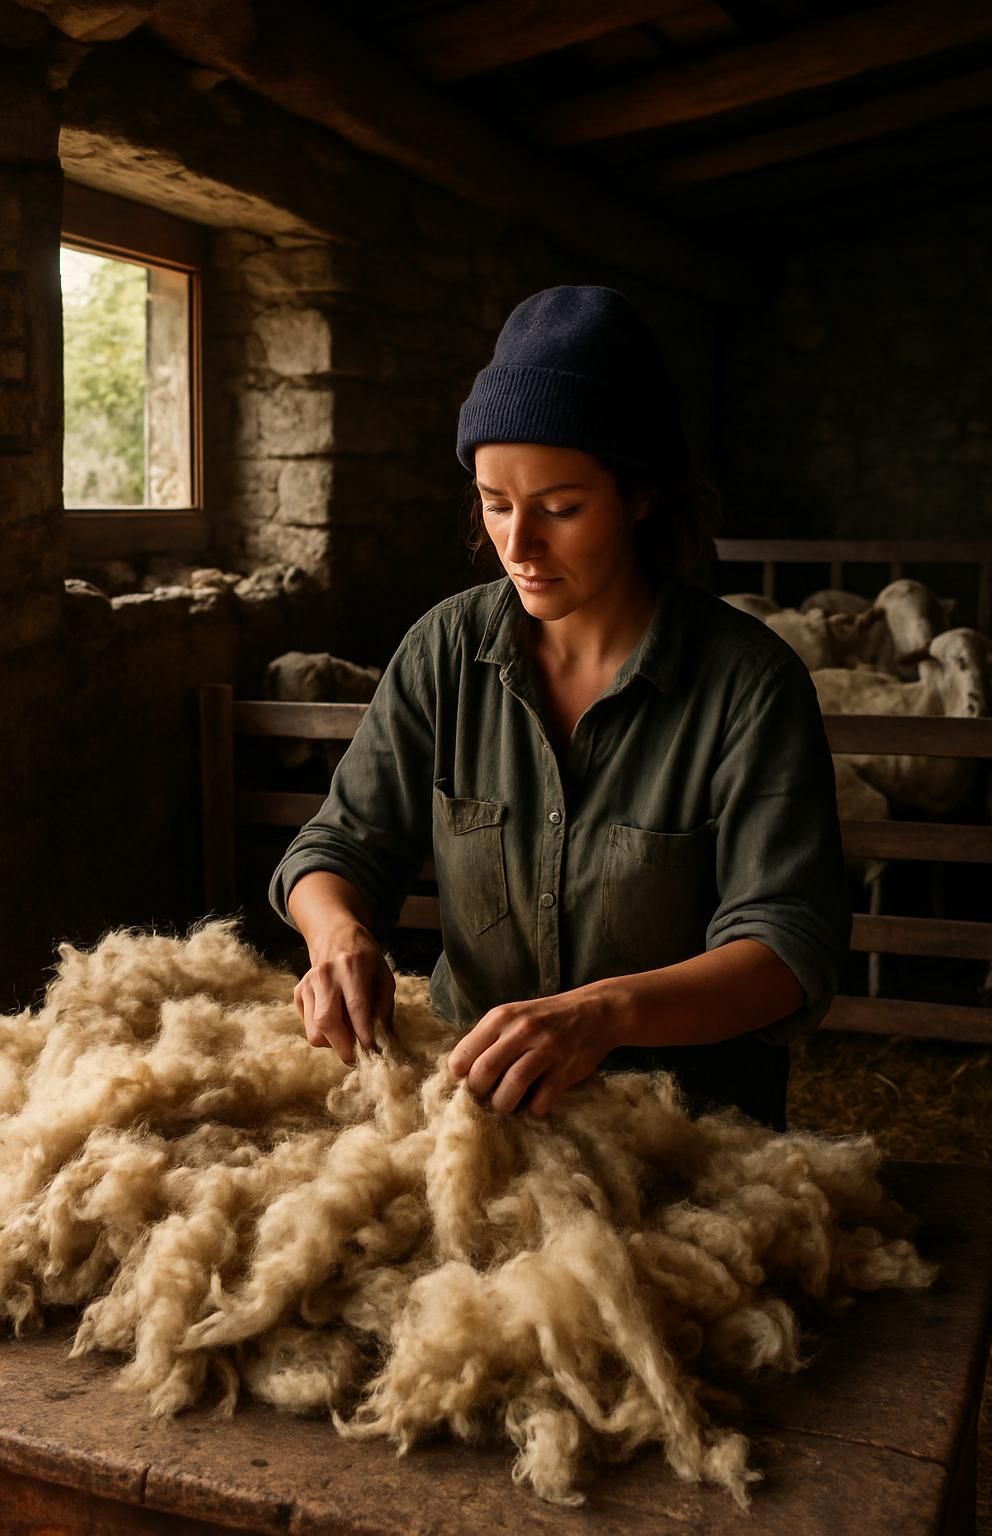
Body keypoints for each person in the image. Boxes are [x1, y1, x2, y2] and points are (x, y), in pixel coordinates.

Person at [268, 285, 852, 1133]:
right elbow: (339, 845)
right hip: (476, 1120)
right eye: (494, 504)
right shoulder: (444, 652)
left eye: (560, 509)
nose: (517, 545)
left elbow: (788, 945)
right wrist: (338, 937)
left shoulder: (748, 686)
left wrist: (602, 1015)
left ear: (643, 495)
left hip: (684, 1135)